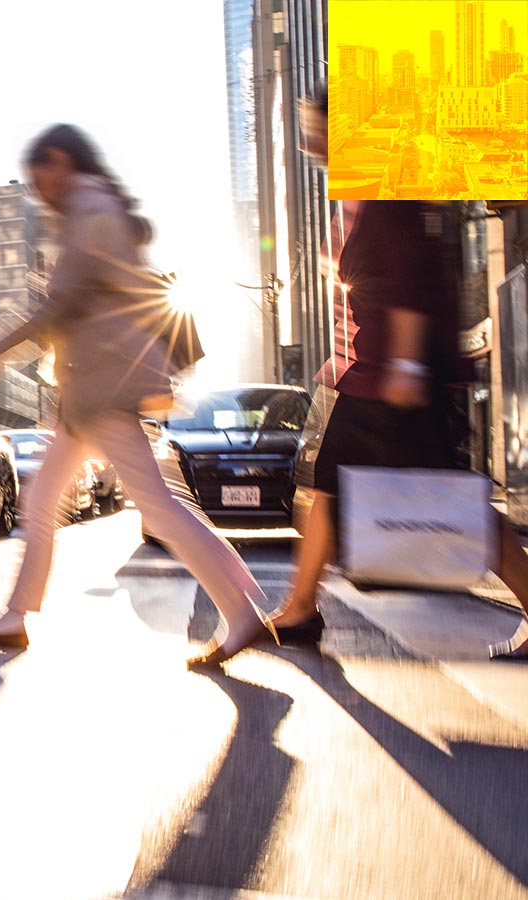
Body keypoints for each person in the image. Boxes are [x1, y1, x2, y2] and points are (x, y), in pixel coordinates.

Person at [0, 124, 273, 667]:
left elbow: (56, 311)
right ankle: (15, 618)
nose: (38, 191)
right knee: (45, 500)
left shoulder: (90, 209)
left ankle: (243, 612)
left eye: (40, 177)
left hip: (105, 392)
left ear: (61, 161)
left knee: (158, 508)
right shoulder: (89, 209)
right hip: (88, 392)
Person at [271, 97, 528, 663]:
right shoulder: (362, 194)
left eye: (320, 133)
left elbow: (407, 280)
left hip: (393, 378)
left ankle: (300, 607)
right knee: (325, 487)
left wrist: (406, 367)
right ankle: (301, 606)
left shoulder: (386, 192)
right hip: (369, 372)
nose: (311, 144)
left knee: (445, 496)